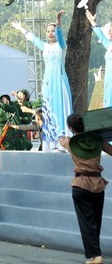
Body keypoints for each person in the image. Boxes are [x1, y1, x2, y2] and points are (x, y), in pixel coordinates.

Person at [13, 11, 73, 151]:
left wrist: (58, 23)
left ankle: (62, 141)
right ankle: (51, 142)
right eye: (48, 31)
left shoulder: (62, 46)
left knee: (59, 110)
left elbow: (60, 36)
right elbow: (33, 39)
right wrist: (22, 29)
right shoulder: (45, 47)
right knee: (48, 112)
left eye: (53, 31)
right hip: (48, 83)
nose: (50, 33)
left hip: (59, 81)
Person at [59, 113, 112, 264]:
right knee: (96, 221)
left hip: (80, 184)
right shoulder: (98, 140)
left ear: (71, 128)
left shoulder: (69, 143)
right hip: (97, 184)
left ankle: (95, 256)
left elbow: (61, 140)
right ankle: (96, 254)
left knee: (86, 222)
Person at [87, 10, 112, 108]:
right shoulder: (109, 45)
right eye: (110, 30)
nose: (111, 32)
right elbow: (101, 36)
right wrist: (93, 22)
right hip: (109, 81)